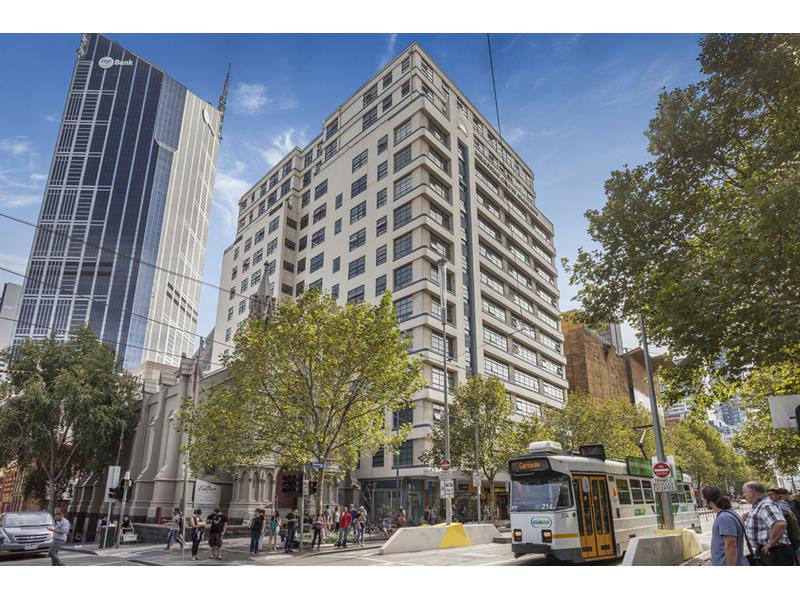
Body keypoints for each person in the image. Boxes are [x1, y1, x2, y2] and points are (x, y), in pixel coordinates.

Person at [742, 481, 795, 565]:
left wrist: (770, 543)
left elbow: (780, 524)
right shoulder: (761, 504)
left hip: (775, 553)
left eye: (744, 492)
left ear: (751, 493)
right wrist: (749, 515)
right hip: (771, 552)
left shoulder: (766, 505)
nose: (743, 495)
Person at [702, 486, 748, 566]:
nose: (703, 501)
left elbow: (731, 545)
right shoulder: (729, 513)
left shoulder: (724, 517)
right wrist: (716, 557)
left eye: (703, 498)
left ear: (708, 500)